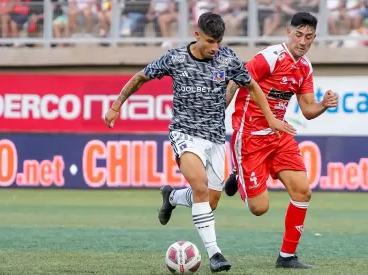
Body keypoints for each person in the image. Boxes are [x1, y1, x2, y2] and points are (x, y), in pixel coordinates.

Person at [104, 12, 295, 273]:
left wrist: (271, 118)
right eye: (210, 41)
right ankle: (215, 254)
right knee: (201, 189)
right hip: (185, 134)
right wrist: (116, 106)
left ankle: (172, 197)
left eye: (219, 41)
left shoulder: (227, 58)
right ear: (197, 35)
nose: (215, 47)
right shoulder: (176, 58)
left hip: (215, 138)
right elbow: (140, 77)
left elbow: (252, 86)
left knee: (210, 201)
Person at [158, 12, 339, 269]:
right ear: (289, 33)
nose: (302, 41)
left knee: (303, 191)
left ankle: (287, 256)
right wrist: (221, 109)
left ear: (314, 38)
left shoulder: (305, 68)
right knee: (259, 208)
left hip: (279, 135)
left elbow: (308, 109)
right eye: (298, 34)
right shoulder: (270, 57)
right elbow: (237, 78)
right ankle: (235, 176)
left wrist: (324, 104)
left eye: (308, 37)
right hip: (250, 134)